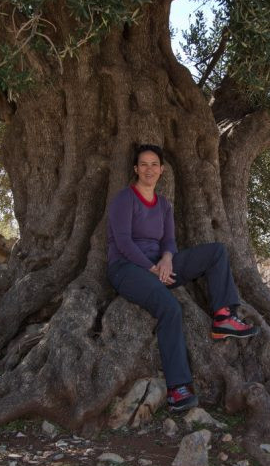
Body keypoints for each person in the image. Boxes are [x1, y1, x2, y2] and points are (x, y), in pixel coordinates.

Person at [106, 144, 259, 412]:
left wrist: (166, 259)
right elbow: (123, 243)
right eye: (143, 164)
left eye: (154, 164)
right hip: (126, 269)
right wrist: (152, 269)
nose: (149, 169)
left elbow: (169, 241)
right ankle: (179, 388)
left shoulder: (164, 205)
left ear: (162, 170)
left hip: (158, 266)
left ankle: (224, 316)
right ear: (135, 169)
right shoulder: (124, 199)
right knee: (170, 308)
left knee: (216, 252)